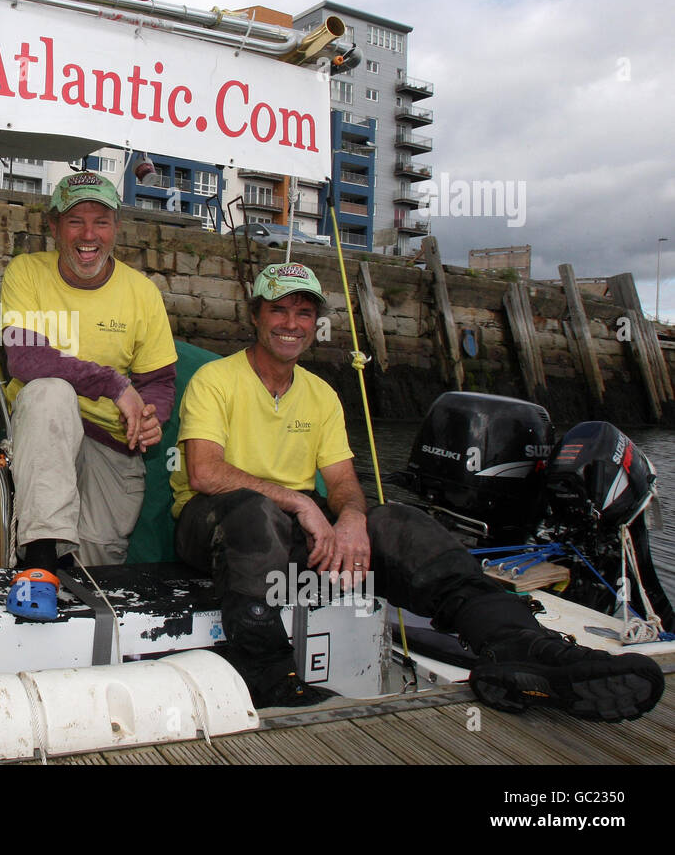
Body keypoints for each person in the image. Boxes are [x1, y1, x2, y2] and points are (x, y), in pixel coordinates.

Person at [170, 261, 664, 720]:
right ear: (255, 314)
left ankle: (525, 648)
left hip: (292, 530)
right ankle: (267, 677)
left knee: (400, 522)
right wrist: (301, 502)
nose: (291, 323)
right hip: (213, 525)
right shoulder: (216, 380)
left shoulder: (321, 394)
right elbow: (205, 473)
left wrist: (352, 519)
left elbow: (342, 482)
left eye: (304, 313)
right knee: (255, 514)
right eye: (278, 309)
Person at [0, 171, 177, 620]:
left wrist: (151, 415)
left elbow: (159, 381)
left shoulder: (142, 292)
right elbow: (25, 360)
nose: (88, 235)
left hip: (110, 443)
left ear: (116, 228)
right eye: (75, 221)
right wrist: (116, 385)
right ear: (54, 227)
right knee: (49, 393)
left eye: (101, 221)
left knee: (96, 570)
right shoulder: (26, 271)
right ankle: (38, 561)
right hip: (43, 433)